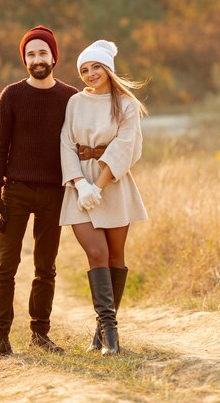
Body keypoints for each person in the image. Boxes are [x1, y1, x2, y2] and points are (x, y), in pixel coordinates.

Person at [0, 25, 77, 364]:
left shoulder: (70, 97)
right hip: (16, 191)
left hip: (54, 193)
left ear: (54, 57)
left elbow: (80, 142)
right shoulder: (11, 96)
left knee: (45, 267)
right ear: (25, 59)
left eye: (42, 52)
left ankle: (40, 334)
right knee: (5, 266)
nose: (37, 59)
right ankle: (0, 338)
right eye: (31, 54)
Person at [59, 40, 147, 356]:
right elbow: (66, 143)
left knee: (114, 256)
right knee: (96, 252)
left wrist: (100, 184)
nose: (90, 73)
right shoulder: (75, 103)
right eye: (84, 69)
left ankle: (103, 332)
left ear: (108, 68)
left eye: (96, 66)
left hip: (113, 184)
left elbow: (126, 145)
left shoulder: (125, 104)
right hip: (78, 187)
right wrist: (82, 185)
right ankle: (111, 332)